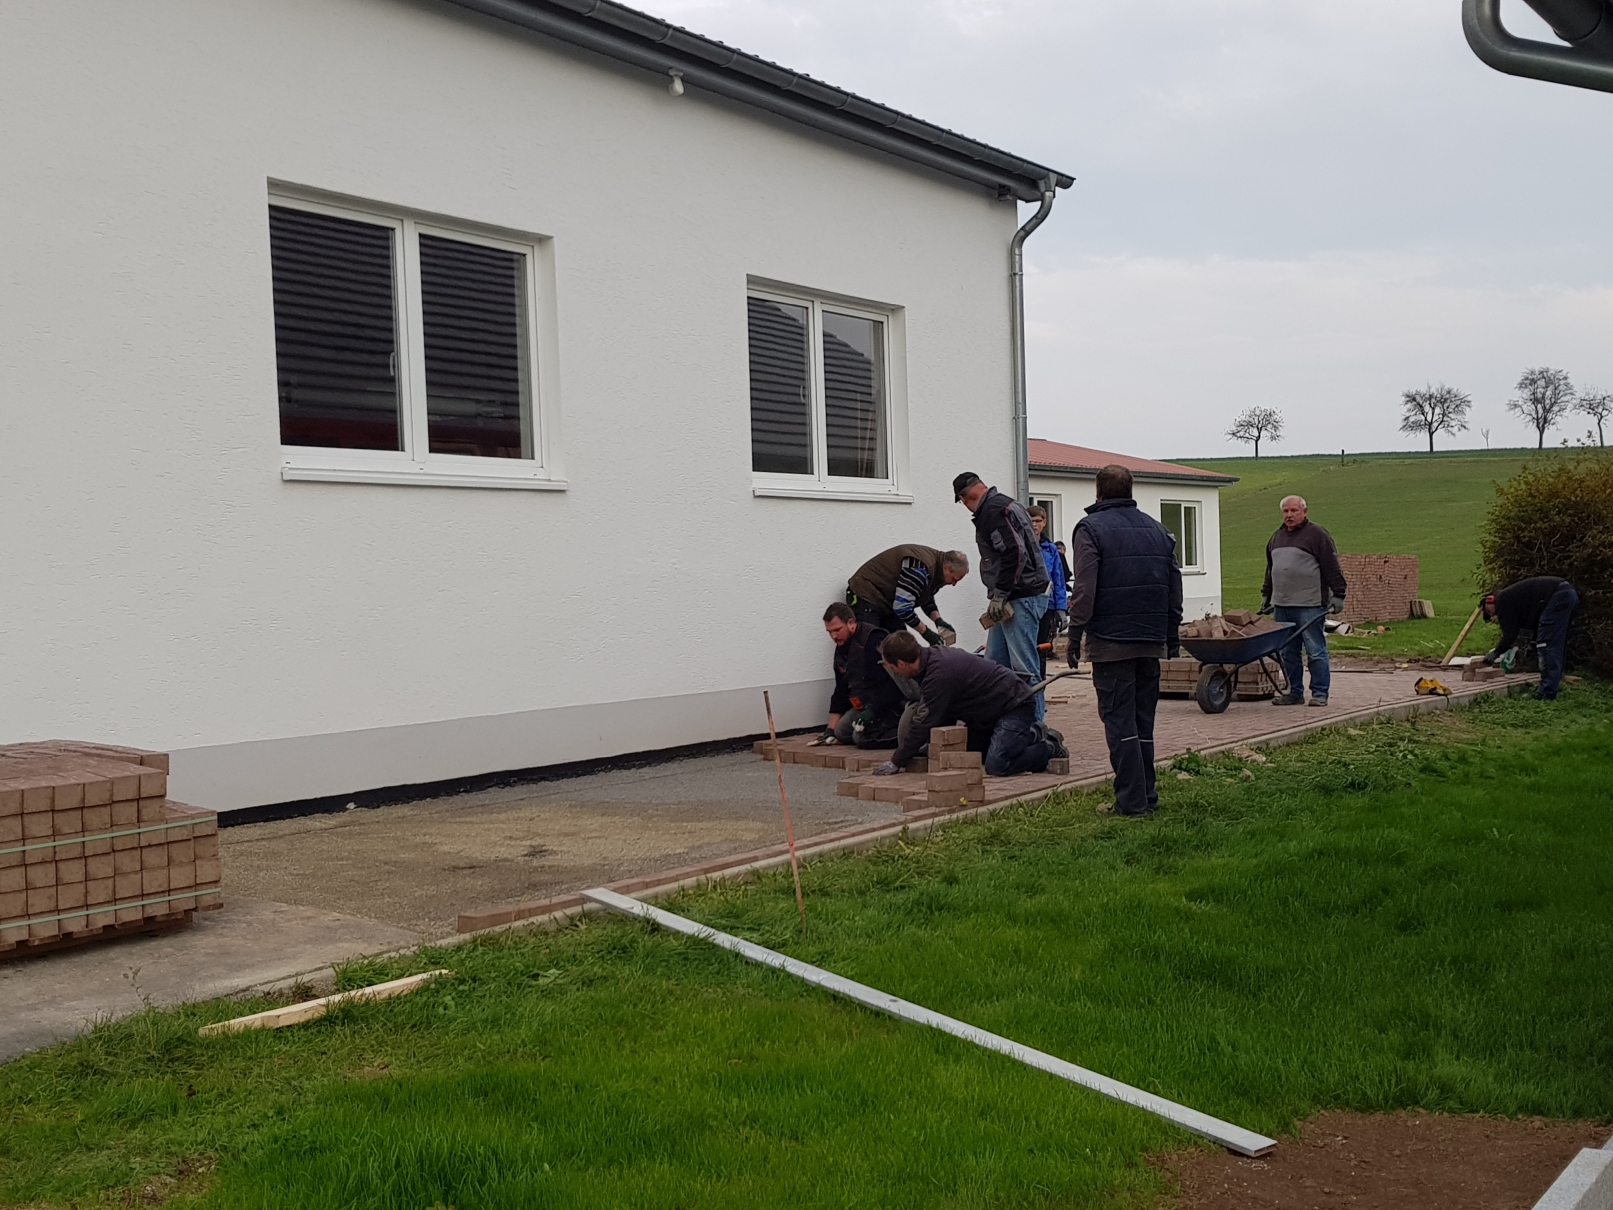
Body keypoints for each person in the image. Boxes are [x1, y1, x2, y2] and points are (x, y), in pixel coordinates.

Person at [1067, 464, 1183, 818]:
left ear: (1098, 493)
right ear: (1131, 491)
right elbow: (1174, 588)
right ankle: (1146, 795)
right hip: (1151, 640)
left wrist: (1075, 633)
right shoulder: (1159, 530)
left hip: (1111, 641)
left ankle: (1131, 804)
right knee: (1143, 721)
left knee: (1120, 723)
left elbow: (1085, 587)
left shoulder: (1090, 529)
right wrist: (1171, 635)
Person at [870, 631, 1065, 777]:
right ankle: (1030, 734)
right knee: (968, 755)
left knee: (997, 764)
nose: (894, 672)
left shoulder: (938, 675)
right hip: (987, 715)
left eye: (893, 667)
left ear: (902, 663)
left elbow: (925, 721)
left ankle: (1049, 747)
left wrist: (897, 761)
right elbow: (942, 714)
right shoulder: (928, 662)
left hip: (1014, 705)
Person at [952, 472, 1051, 719]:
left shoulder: (993, 511)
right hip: (1017, 595)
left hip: (1020, 596)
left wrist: (1000, 594)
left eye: (962, 501)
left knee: (1024, 668)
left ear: (965, 497)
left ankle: (1035, 727)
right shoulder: (1006, 504)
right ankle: (1001, 723)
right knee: (994, 665)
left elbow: (1014, 552)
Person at [1260, 494, 1346, 707]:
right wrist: (1267, 594)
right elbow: (1271, 569)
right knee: (1288, 652)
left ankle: (1320, 693)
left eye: (1294, 511)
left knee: (1315, 650)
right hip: (1282, 604)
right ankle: (1294, 692)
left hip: (1310, 604)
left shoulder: (1317, 535)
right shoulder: (1276, 537)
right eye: (1286, 511)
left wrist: (1339, 594)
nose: (1289, 515)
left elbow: (1331, 566)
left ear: (1304, 512)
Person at [1479, 576, 1580, 700]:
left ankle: (1546, 694)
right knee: (1554, 645)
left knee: (1546, 646)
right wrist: (1533, 642)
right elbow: (1537, 622)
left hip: (1558, 596)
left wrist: (1496, 652)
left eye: (1488, 611)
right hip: (1567, 593)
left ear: (1489, 601)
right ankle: (1552, 687)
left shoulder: (1502, 602)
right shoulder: (1513, 599)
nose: (1492, 614)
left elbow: (1510, 634)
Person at [818, 603, 904, 746]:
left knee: (861, 738)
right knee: (841, 733)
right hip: (864, 703)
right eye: (829, 632)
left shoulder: (875, 640)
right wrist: (830, 730)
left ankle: (909, 735)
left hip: (890, 705)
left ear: (851, 623)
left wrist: (873, 712)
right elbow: (841, 689)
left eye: (837, 630)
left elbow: (895, 684)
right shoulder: (841, 649)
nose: (833, 636)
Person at [845, 545, 967, 645]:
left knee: (901, 647)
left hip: (887, 601)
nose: (954, 584)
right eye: (954, 579)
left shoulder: (937, 570)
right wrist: (927, 633)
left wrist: (939, 621)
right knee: (870, 646)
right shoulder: (919, 567)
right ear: (946, 568)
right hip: (866, 595)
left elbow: (926, 598)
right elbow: (903, 608)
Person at [1028, 505, 1068, 679]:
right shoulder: (1021, 545)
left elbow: (1058, 579)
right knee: (1026, 648)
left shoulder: (1050, 549)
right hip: (1027, 604)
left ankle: (1039, 687)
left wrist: (1061, 608)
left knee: (1042, 648)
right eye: (1030, 521)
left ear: (1044, 522)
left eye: (1037, 521)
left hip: (1047, 606)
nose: (1034, 525)